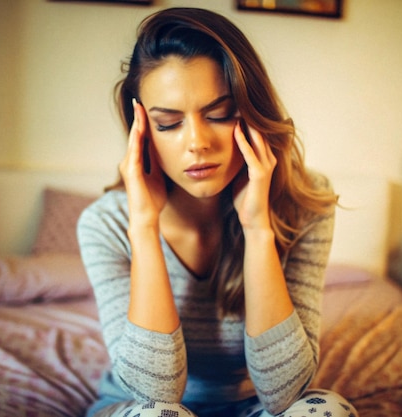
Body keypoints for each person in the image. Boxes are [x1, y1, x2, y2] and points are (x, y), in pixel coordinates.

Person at [78, 7, 357, 417]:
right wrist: (143, 226)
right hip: (140, 408)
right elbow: (156, 394)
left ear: (252, 112)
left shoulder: (304, 205)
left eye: (219, 114)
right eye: (169, 123)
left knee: (327, 410)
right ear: (143, 133)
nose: (197, 142)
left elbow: (283, 395)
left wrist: (258, 228)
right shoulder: (105, 224)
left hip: (252, 408)